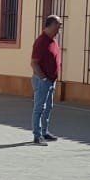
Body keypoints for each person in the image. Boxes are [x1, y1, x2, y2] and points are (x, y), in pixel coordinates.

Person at [30, 15, 64, 146]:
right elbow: (34, 63)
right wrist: (43, 78)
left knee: (48, 107)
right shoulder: (41, 41)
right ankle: (37, 136)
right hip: (42, 80)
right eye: (58, 25)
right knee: (39, 107)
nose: (59, 29)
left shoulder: (53, 41)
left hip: (51, 80)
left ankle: (45, 132)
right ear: (49, 25)